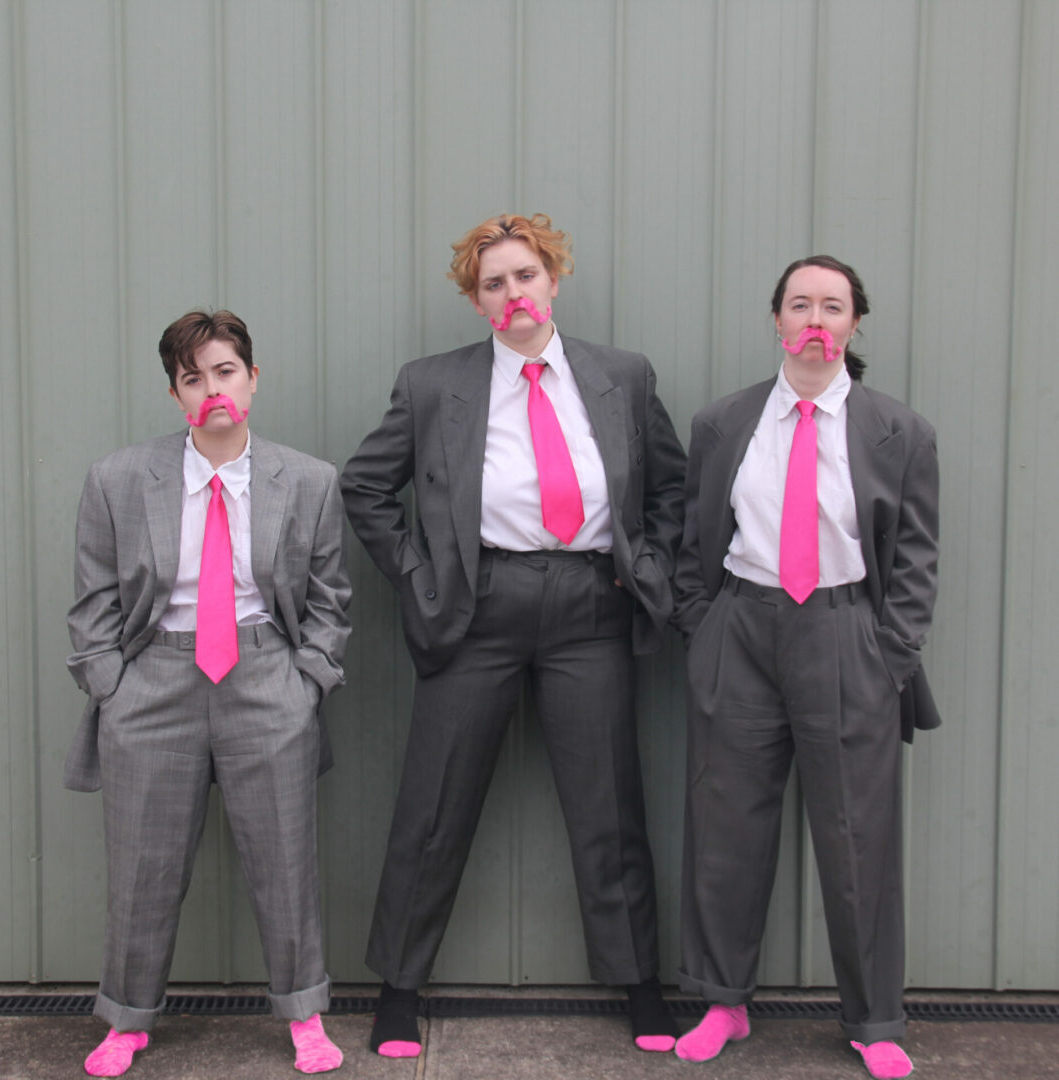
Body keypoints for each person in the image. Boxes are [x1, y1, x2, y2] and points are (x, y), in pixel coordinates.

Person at [340, 213, 687, 1057]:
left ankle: (640, 985)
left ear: (553, 280)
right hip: (475, 609)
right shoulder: (433, 385)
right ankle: (397, 990)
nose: (512, 294)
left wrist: (647, 569)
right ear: (474, 299)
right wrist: (421, 584)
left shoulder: (622, 376)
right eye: (492, 283)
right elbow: (365, 488)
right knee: (434, 803)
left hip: (590, 606)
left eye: (524, 275)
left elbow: (672, 487)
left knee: (607, 802)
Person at [672, 256, 940, 1080]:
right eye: (799, 304)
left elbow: (916, 562)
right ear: (777, 321)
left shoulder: (900, 432)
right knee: (726, 828)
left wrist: (884, 657)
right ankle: (721, 1000)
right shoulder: (723, 422)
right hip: (742, 629)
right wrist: (705, 629)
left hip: (843, 633)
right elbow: (694, 544)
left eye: (832, 305)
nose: (814, 318)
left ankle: (873, 1020)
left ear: (854, 323)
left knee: (857, 838)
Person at [64, 310, 352, 1077]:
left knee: (285, 860)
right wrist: (111, 687)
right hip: (152, 680)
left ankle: (304, 1016)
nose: (212, 389)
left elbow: (330, 599)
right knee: (142, 867)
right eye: (193, 379)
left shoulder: (310, 480)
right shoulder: (119, 479)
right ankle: (125, 1021)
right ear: (176, 394)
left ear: (252, 379)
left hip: (266, 679)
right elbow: (91, 600)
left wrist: (306, 680)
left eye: (225, 371)